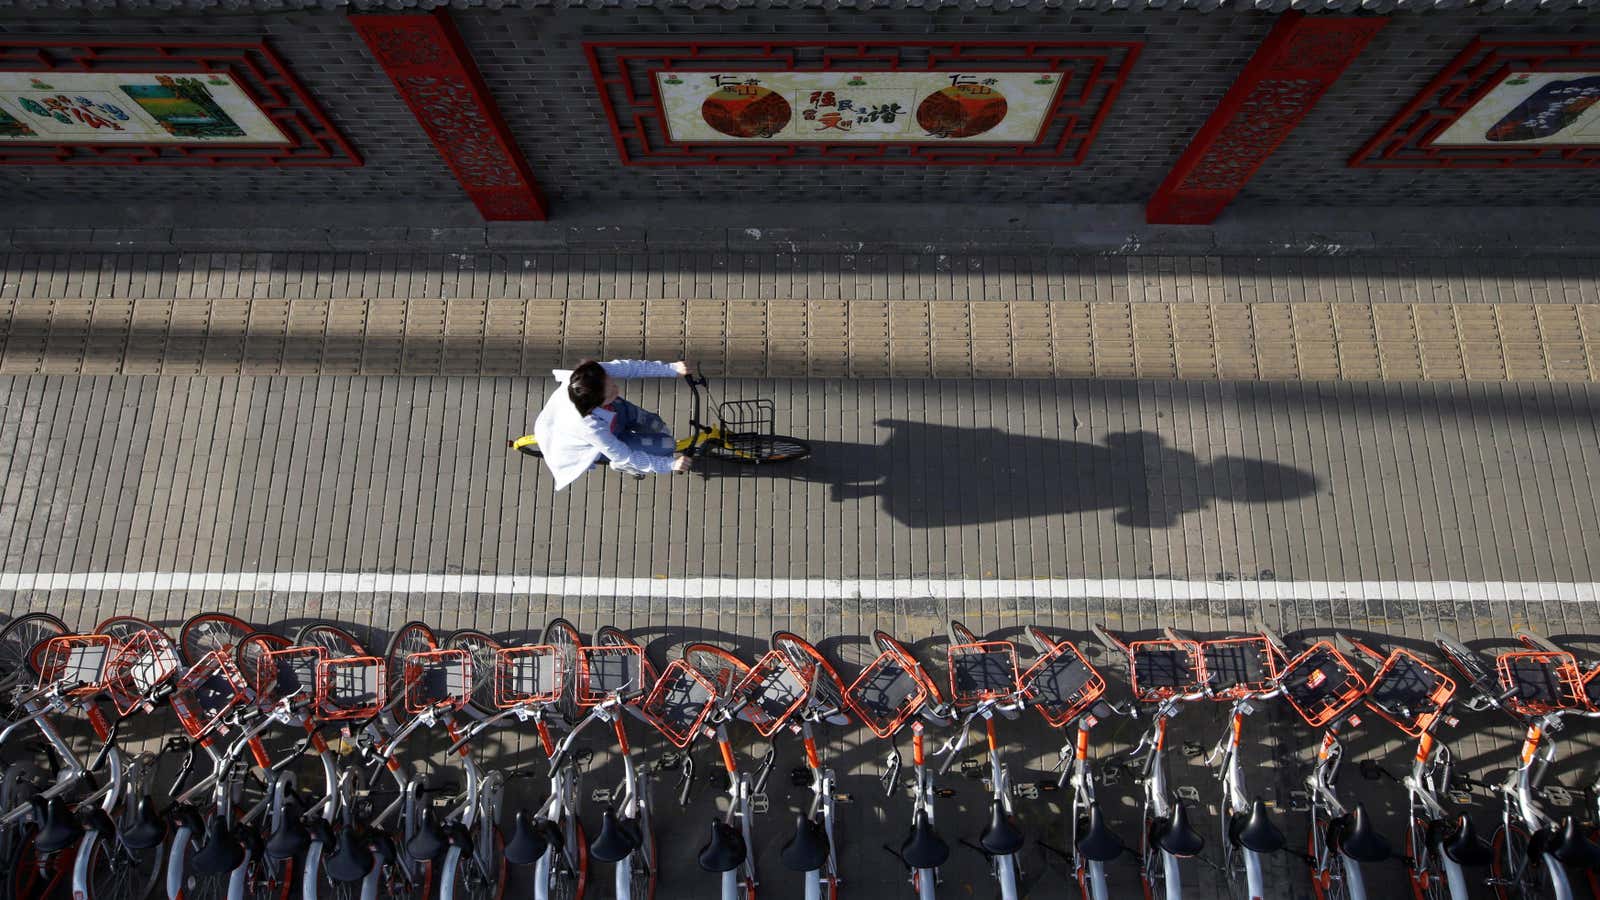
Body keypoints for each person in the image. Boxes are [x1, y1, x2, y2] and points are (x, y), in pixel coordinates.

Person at [533, 358, 695, 490]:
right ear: (596, 404)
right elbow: (627, 456)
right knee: (667, 445)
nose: (616, 389)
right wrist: (670, 464)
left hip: (612, 415)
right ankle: (619, 466)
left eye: (611, 382)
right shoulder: (590, 429)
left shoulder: (590, 377)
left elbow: (629, 368)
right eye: (611, 393)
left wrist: (671, 369)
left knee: (656, 424)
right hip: (603, 438)